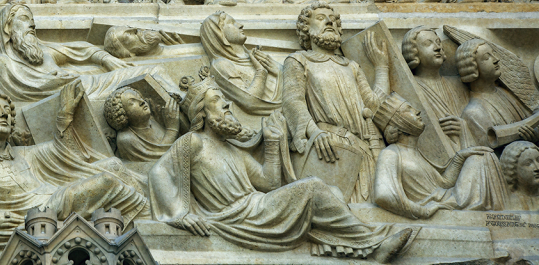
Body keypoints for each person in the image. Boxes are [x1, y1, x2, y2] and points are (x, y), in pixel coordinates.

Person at [148, 77, 412, 261]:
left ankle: (347, 248)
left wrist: (273, 142)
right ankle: (373, 244)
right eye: (218, 100)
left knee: (331, 190)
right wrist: (179, 213)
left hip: (256, 208)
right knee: (314, 187)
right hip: (237, 216)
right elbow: (160, 172)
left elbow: (269, 183)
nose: (228, 104)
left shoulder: (233, 149)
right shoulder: (192, 142)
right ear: (202, 113)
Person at [0, 82, 148, 247]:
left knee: (112, 165)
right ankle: (150, 222)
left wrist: (64, 114)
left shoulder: (23, 154)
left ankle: (152, 219)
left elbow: (62, 153)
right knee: (107, 181)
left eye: (8, 112)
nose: (4, 114)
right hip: (34, 212)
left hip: (54, 198)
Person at [281, 3, 391, 202]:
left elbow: (375, 107)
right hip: (328, 148)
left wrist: (382, 67)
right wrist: (314, 132)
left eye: (333, 19)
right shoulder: (299, 60)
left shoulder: (351, 66)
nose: (330, 21)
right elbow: (292, 101)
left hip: (364, 151)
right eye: (321, 18)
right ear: (306, 28)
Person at [0, 2, 174, 102]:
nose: (33, 24)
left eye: (32, 19)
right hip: (79, 92)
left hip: (89, 85)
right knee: (150, 74)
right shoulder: (2, 63)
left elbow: (78, 47)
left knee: (153, 71)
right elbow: (24, 92)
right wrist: (61, 79)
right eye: (25, 19)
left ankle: (181, 99)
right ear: (7, 26)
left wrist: (104, 58)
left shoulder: (42, 50)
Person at [372, 96, 507, 219]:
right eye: (409, 109)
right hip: (443, 204)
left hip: (447, 198)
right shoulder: (390, 153)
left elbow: (443, 184)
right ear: (398, 122)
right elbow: (384, 195)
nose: (417, 112)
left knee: (481, 156)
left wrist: (460, 156)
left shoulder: (417, 153)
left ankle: (498, 218)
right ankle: (497, 219)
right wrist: (422, 211)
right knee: (482, 157)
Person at [456, 38, 538, 147]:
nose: (496, 59)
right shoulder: (473, 112)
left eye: (493, 54)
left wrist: (534, 135)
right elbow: (489, 147)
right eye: (487, 57)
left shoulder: (505, 93)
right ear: (472, 67)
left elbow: (532, 122)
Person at [200, 12, 281, 116]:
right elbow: (250, 102)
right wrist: (261, 72)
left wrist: (279, 70)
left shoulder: (256, 58)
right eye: (232, 23)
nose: (240, 25)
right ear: (219, 33)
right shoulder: (222, 65)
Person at [401, 27, 469, 147]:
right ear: (413, 52)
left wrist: (464, 128)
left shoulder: (458, 84)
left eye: (438, 42)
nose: (438, 48)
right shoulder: (410, 86)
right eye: (428, 44)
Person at [104, 87, 180, 161]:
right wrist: (172, 129)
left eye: (140, 97)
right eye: (132, 102)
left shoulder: (153, 120)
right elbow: (160, 159)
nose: (142, 102)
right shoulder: (126, 139)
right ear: (123, 114)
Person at [500, 141, 539, 211]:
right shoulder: (507, 202)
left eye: (538, 160)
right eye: (528, 163)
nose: (537, 168)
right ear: (513, 171)